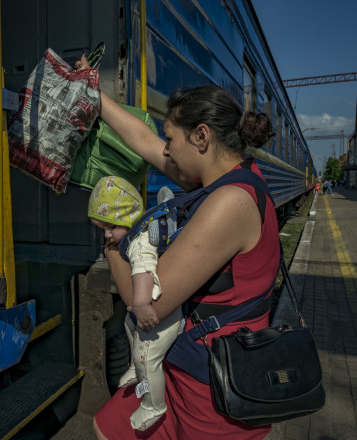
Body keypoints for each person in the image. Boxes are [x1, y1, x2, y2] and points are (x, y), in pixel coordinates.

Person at [76, 56, 279, 440]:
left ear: (201, 137)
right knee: (107, 427)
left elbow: (150, 303)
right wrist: (96, 98)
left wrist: (115, 242)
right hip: (186, 368)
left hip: (213, 393)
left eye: (171, 138)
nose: (165, 151)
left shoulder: (230, 202)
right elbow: (142, 141)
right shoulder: (230, 176)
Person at [87, 176, 182, 431]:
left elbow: (142, 273)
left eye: (110, 228)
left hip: (158, 314)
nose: (107, 235)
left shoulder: (139, 243)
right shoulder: (136, 232)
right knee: (130, 327)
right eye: (103, 229)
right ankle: (134, 368)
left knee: (147, 357)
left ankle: (153, 406)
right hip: (151, 310)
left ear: (127, 218)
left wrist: (140, 305)